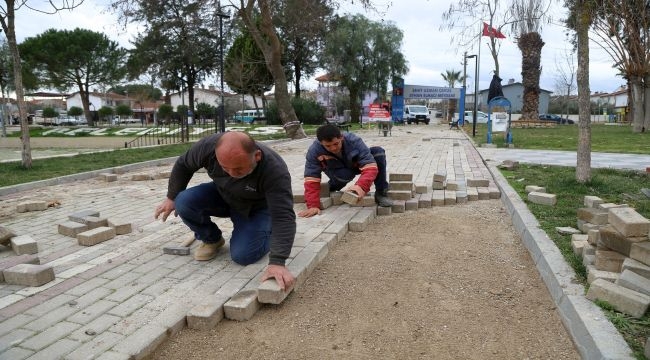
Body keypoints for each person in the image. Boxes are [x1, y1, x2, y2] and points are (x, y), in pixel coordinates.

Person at [154, 131, 295, 290]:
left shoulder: (274, 170)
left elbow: (283, 216)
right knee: (183, 201)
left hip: (255, 208)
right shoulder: (207, 147)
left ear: (257, 156)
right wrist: (171, 197)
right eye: (225, 168)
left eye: (239, 169)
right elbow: (183, 164)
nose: (232, 174)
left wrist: (277, 261)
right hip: (224, 195)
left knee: (243, 256)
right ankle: (212, 240)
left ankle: (266, 231)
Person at [298, 124, 392, 218]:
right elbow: (311, 178)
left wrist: (361, 187)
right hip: (338, 171)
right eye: (328, 146)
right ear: (321, 143)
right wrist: (313, 205)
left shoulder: (353, 140)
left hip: (356, 165)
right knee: (345, 175)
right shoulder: (314, 151)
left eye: (336, 143)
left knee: (378, 152)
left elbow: (370, 166)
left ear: (341, 137)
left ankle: (381, 193)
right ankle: (332, 186)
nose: (333, 148)